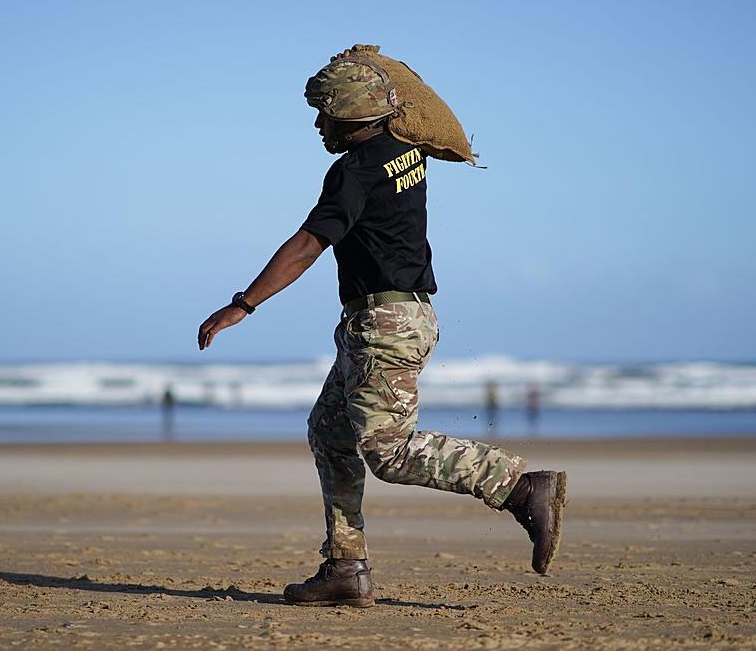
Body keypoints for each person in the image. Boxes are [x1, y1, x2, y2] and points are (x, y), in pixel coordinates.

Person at [197, 49, 567, 608]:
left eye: (327, 115)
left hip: (386, 323)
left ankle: (516, 484)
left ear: (353, 115)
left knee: (388, 452)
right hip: (387, 318)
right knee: (330, 430)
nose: (319, 125)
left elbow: (306, 246)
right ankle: (345, 567)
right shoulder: (406, 153)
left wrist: (243, 304)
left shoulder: (355, 170)